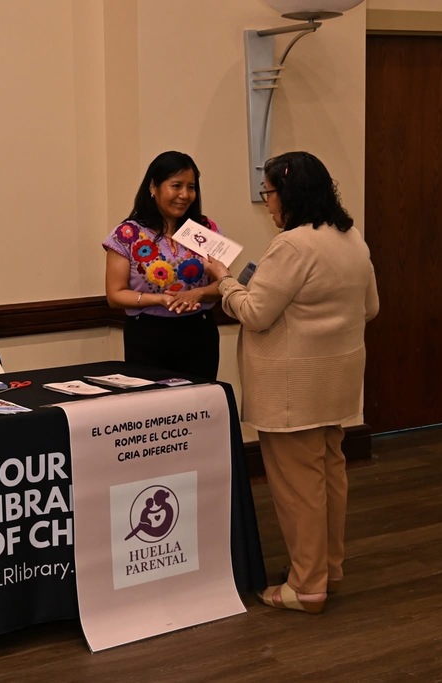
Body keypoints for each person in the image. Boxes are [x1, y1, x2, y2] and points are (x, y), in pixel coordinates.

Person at [202, 151, 380, 614]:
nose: (268, 204)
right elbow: (371, 308)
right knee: (327, 477)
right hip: (336, 380)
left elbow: (256, 313)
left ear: (288, 194)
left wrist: (224, 281)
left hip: (290, 389)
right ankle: (326, 569)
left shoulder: (292, 245)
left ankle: (306, 586)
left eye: (268, 193)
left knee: (298, 487)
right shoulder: (351, 237)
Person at [102, 151, 223, 380]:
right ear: (153, 187)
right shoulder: (127, 234)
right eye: (176, 186)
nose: (185, 195)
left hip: (199, 333)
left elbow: (223, 283)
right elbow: (115, 295)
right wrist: (160, 299)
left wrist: (198, 294)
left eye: (191, 187)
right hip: (148, 334)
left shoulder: (204, 230)